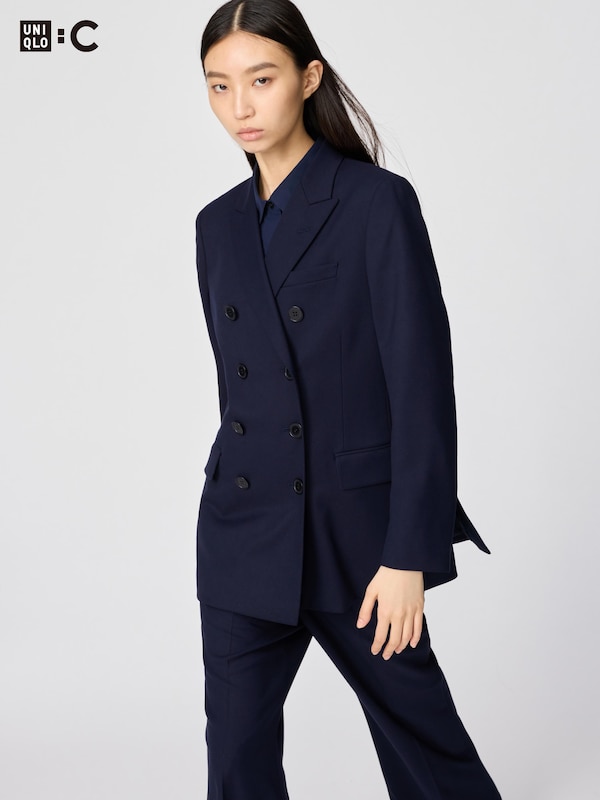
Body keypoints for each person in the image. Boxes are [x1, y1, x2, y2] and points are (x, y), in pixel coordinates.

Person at [194, 1, 501, 797]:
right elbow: (237, 388)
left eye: (261, 80)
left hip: (359, 541)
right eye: (220, 86)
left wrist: (409, 553)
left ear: (308, 78)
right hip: (244, 528)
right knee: (235, 761)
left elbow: (421, 389)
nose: (240, 106)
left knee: (427, 753)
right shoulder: (216, 226)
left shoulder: (375, 203)